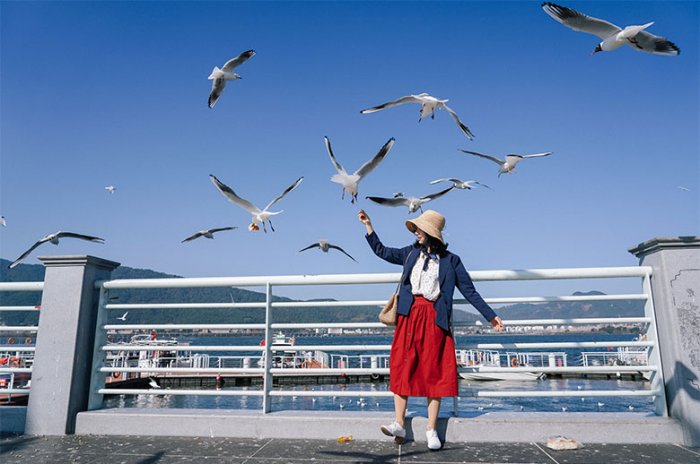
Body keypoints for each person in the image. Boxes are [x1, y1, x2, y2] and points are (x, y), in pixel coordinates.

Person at [358, 209, 504, 450]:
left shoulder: (451, 260)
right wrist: (369, 226)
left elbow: (469, 291)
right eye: (415, 228)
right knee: (402, 365)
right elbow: (382, 251)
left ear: (432, 233)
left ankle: (431, 429)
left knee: (434, 370)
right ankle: (398, 423)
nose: (416, 232)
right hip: (408, 315)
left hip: (434, 318)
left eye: (420, 229)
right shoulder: (410, 253)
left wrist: (491, 316)